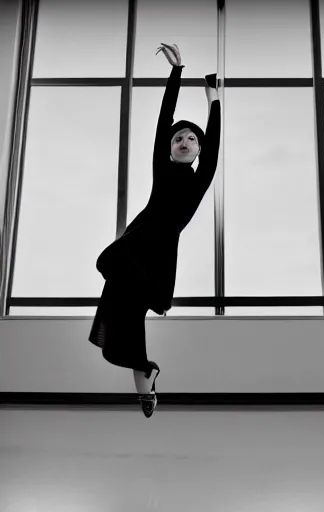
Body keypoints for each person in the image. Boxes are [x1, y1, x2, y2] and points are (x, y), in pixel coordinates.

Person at [88, 43, 221, 418]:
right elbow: (165, 120)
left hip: (160, 255)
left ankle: (146, 377)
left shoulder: (199, 181)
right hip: (136, 243)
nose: (183, 141)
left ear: (199, 151)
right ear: (169, 147)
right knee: (123, 313)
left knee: (131, 312)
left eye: (191, 139)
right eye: (178, 139)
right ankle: (146, 378)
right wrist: (176, 72)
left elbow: (213, 144)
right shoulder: (162, 169)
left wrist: (213, 97)